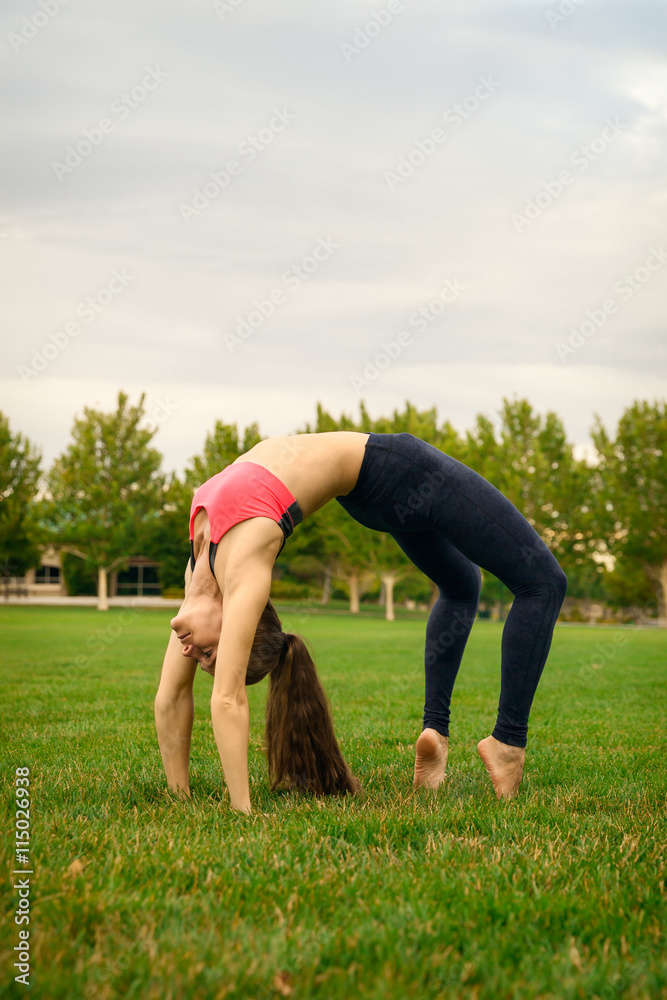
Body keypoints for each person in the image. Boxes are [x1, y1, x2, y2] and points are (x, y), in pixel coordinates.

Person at [154, 431, 567, 813]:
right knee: (543, 583)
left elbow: (212, 698)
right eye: (204, 654)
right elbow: (188, 695)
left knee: (464, 586)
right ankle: (506, 744)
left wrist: (234, 809)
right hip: (388, 478)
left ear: (232, 616)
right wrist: (189, 799)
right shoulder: (233, 571)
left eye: (208, 654)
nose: (189, 650)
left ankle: (437, 734)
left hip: (385, 481)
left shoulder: (206, 567)